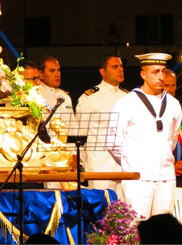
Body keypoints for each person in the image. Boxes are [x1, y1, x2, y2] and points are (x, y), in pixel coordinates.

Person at [109, 53, 182, 219]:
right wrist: (132, 163)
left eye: (163, 71)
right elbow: (113, 143)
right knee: (137, 228)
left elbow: (171, 139)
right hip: (138, 178)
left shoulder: (173, 104)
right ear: (143, 74)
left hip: (166, 177)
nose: (161, 77)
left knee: (164, 232)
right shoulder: (126, 103)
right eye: (155, 72)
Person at [76, 54, 127, 200]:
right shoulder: (90, 97)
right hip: (99, 162)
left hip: (124, 162)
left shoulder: (128, 96)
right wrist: (81, 161)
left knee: (125, 208)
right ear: (103, 72)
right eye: (115, 67)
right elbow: (80, 132)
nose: (120, 70)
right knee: (101, 205)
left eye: (121, 66)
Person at [37, 55, 74, 189]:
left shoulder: (65, 97)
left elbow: (73, 128)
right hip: (48, 157)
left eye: (58, 70)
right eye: (52, 71)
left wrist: (75, 154)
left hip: (67, 156)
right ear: (40, 74)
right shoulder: (36, 95)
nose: (57, 74)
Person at [163, 69, 182, 222]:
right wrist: (171, 164)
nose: (170, 90)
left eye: (173, 85)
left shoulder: (178, 108)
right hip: (165, 172)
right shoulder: (154, 112)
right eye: (166, 85)